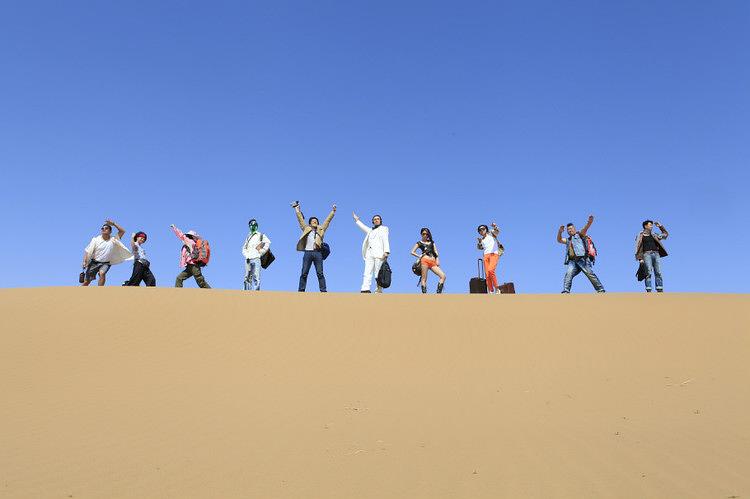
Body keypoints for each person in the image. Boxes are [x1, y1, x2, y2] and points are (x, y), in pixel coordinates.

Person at [292, 201, 336, 292]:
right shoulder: (306, 228)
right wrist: (297, 210)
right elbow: (300, 220)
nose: (314, 221)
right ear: (310, 223)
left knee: (320, 273)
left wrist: (333, 212)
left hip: (318, 253)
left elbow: (327, 221)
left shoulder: (321, 229)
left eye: (316, 221)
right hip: (307, 253)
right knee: (304, 273)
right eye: (313, 221)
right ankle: (301, 290)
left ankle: (323, 291)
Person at [556, 215, 605, 293]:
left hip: (582, 259)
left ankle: (600, 290)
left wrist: (589, 222)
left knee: (590, 274)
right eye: (568, 229)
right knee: (568, 274)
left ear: (574, 229)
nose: (569, 230)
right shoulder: (568, 240)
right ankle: (566, 291)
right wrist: (560, 231)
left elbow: (585, 228)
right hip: (572, 261)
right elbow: (559, 240)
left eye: (571, 228)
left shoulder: (580, 235)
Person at [81, 219, 132, 286]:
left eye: (106, 228)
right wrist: (84, 261)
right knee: (87, 281)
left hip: (106, 263)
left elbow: (122, 231)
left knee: (102, 273)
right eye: (102, 228)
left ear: (110, 231)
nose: (104, 229)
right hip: (94, 262)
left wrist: (113, 224)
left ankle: (100, 291)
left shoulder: (114, 239)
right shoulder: (95, 240)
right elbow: (87, 251)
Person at [353, 212, 390, 293]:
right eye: (374, 219)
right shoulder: (370, 230)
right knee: (367, 272)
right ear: (373, 221)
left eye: (378, 219)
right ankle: (365, 288)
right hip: (369, 254)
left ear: (380, 220)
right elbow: (363, 227)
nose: (376, 220)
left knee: (378, 273)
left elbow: (385, 239)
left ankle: (378, 290)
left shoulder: (384, 228)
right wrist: (357, 220)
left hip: (379, 254)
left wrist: (386, 251)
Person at [170, 224, 211, 288]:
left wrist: (174, 228)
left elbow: (181, 235)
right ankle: (177, 292)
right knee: (179, 278)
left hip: (194, 265)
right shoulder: (191, 244)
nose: (185, 237)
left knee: (200, 282)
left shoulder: (190, 242)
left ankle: (210, 292)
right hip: (189, 266)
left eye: (187, 236)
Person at [635, 220, 669, 292]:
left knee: (658, 272)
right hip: (646, 254)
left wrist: (660, 226)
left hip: (656, 254)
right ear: (645, 226)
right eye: (650, 225)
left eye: (652, 225)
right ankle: (649, 289)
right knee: (648, 272)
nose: (652, 226)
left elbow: (665, 234)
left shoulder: (654, 235)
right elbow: (638, 247)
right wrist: (640, 258)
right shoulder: (640, 236)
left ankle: (659, 288)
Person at [410, 227, 446, 294]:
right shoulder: (419, 243)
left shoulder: (432, 242)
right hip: (424, 260)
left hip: (433, 262)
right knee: (424, 279)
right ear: (421, 234)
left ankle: (438, 293)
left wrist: (437, 259)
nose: (425, 235)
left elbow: (436, 251)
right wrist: (419, 256)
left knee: (443, 276)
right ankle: (425, 295)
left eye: (426, 234)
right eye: (423, 234)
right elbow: (412, 252)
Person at [242, 218, 271, 291]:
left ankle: (256, 294)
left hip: (256, 258)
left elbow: (267, 242)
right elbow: (244, 248)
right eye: (251, 224)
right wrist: (246, 255)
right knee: (247, 277)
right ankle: (246, 293)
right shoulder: (248, 237)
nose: (253, 225)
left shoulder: (260, 235)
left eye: (254, 224)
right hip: (248, 259)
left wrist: (261, 251)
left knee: (256, 277)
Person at [477, 222, 503, 294]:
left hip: (494, 254)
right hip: (486, 256)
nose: (481, 231)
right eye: (480, 230)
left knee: (491, 270)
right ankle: (491, 290)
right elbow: (480, 248)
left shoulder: (491, 234)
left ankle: (497, 288)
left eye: (483, 229)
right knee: (487, 274)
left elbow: (497, 231)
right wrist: (479, 242)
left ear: (486, 229)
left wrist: (495, 226)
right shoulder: (482, 239)